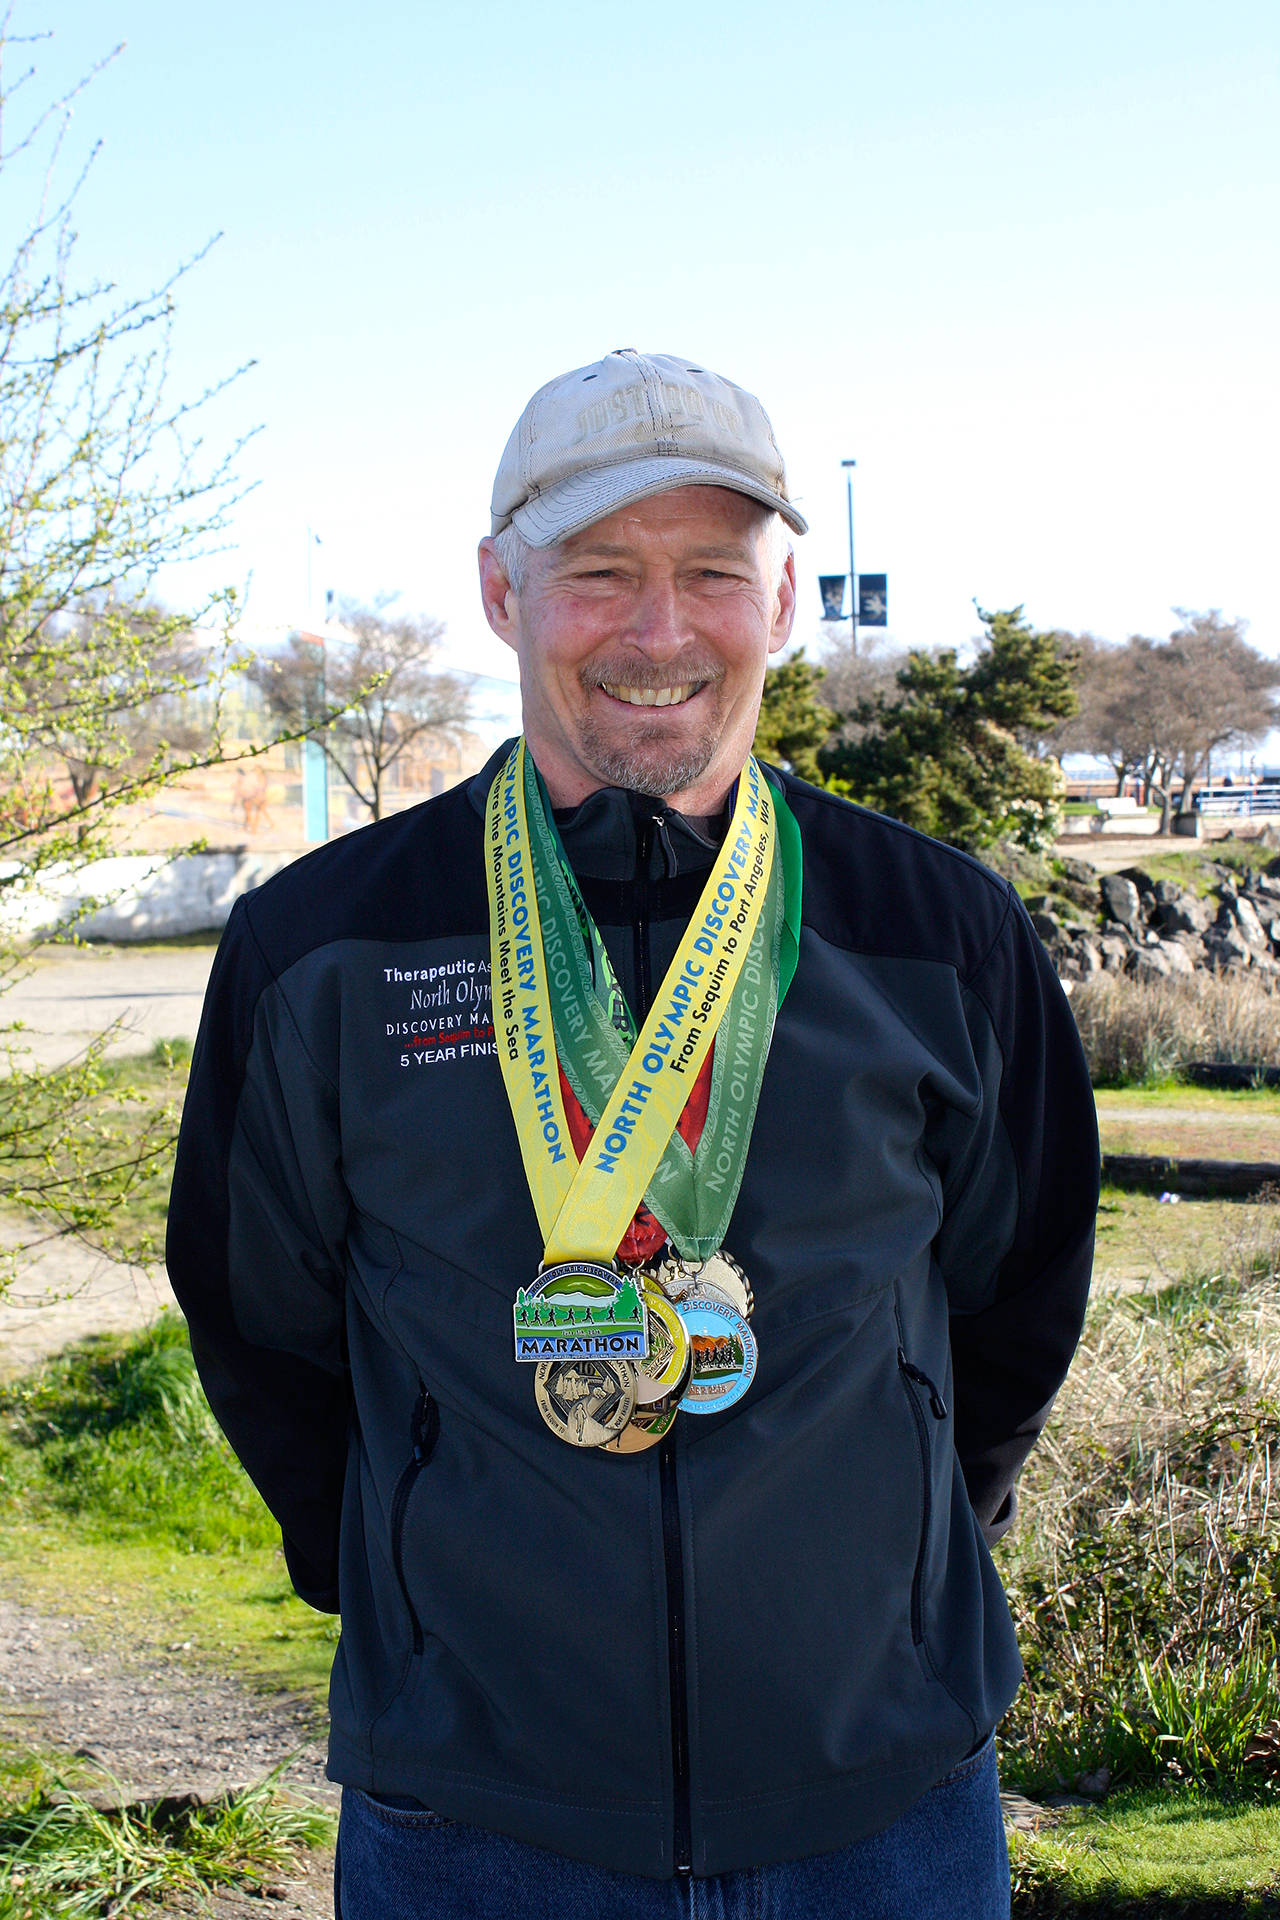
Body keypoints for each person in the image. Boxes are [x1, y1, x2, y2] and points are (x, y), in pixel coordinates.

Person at [167, 348, 1100, 1919]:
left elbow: (1020, 1298)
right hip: (476, 1820)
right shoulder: (322, 948)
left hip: (881, 1814)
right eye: (599, 570)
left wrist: (900, 1574)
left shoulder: (940, 935)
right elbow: (262, 1325)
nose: (660, 633)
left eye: (712, 573)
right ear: (501, 590)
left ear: (783, 599)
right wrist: (405, 1588)